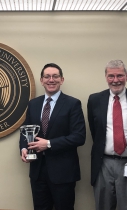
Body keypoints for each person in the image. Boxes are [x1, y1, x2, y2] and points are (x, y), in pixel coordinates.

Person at [19, 63, 86, 210]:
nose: (51, 80)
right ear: (41, 80)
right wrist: (24, 147)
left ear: (62, 80)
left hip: (63, 172)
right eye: (47, 77)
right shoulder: (33, 104)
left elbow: (79, 137)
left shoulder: (72, 104)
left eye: (55, 76)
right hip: (38, 171)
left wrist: (49, 144)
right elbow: (25, 129)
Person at [87, 59, 127, 210]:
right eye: (111, 76)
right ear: (106, 77)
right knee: (103, 205)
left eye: (120, 76)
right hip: (103, 163)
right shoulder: (95, 100)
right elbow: (95, 131)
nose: (115, 80)